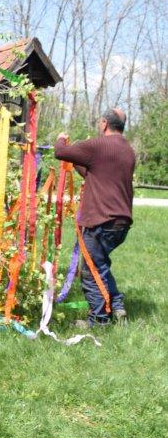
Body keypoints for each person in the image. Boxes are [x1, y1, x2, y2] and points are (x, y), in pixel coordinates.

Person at [54, 108, 136, 327]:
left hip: (101, 220)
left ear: (104, 123)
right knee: (100, 264)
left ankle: (99, 320)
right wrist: (78, 161)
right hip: (120, 223)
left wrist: (61, 139)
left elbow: (60, 152)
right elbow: (94, 173)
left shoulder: (99, 145)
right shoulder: (127, 150)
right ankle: (117, 306)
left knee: (91, 271)